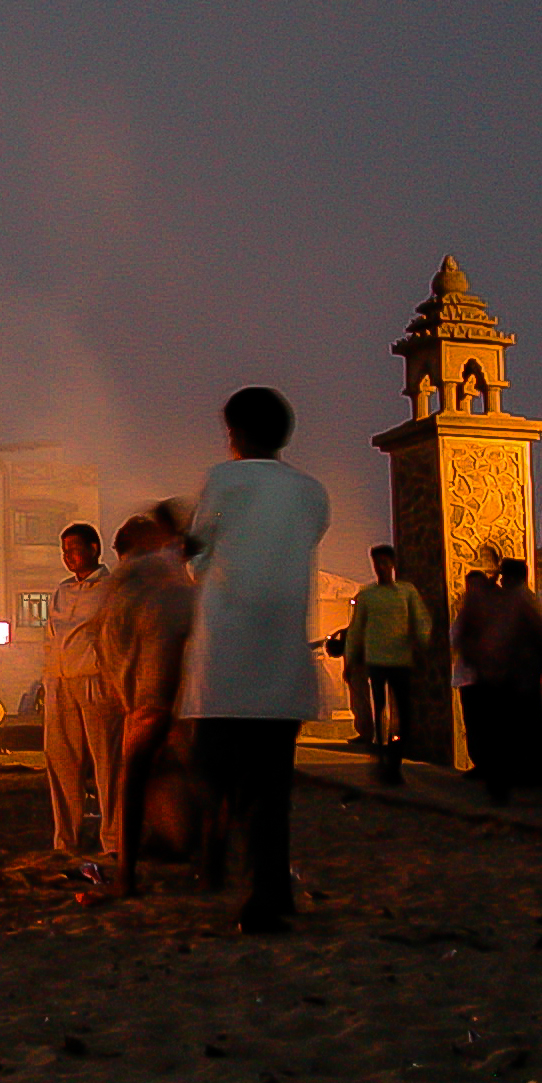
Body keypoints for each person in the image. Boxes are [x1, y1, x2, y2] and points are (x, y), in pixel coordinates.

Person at [180, 387, 330, 934]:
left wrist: (192, 552)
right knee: (270, 789)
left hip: (225, 658)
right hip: (282, 659)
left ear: (235, 434)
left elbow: (197, 551)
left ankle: (227, 871)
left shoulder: (223, 481)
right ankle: (270, 891)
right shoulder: (311, 492)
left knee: (211, 774)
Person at [98, 511, 198, 897]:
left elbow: (114, 650)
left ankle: (127, 873)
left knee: (136, 780)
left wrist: (125, 697)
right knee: (192, 777)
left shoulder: (130, 587)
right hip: (175, 696)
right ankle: (205, 863)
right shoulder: (169, 583)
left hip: (149, 696)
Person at [43, 522, 117, 856]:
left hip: (95, 679)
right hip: (59, 681)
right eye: (64, 551)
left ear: (93, 548)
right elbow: (51, 635)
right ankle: (66, 841)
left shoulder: (111, 588)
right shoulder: (62, 591)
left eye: (74, 549)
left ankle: (112, 841)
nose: (68, 556)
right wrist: (49, 677)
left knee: (106, 763)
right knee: (61, 761)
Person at [343, 544, 432, 785]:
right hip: (376, 661)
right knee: (379, 711)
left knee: (404, 714)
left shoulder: (406, 592)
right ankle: (382, 760)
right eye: (377, 563)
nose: (380, 567)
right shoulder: (367, 595)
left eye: (384, 562)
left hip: (401, 660)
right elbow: (356, 630)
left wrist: (423, 645)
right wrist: (351, 659)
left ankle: (395, 761)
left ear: (392, 564)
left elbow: (420, 620)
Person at [471, 559, 542, 805]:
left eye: (503, 576)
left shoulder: (519, 599)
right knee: (525, 722)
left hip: (522, 670)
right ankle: (525, 772)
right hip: (523, 669)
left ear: (512, 578)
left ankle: (526, 773)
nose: (501, 581)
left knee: (522, 723)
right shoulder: (522, 598)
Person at [450, 571, 493, 778]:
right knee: (474, 722)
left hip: (484, 677)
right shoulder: (467, 614)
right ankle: (481, 762)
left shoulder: (488, 613)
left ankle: (486, 763)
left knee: (483, 722)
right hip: (470, 677)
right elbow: (454, 638)